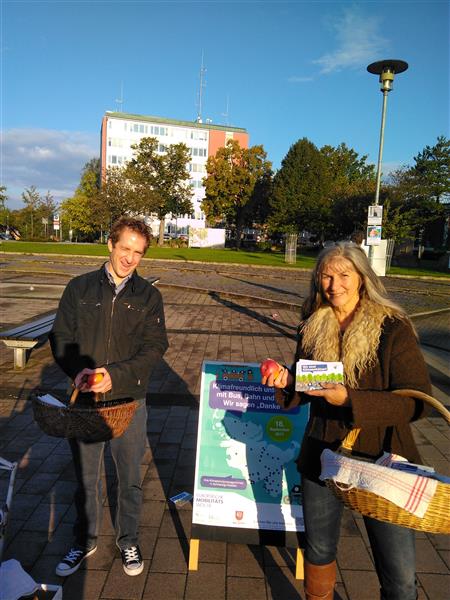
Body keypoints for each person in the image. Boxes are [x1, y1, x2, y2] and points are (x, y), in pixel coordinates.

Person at [261, 242, 431, 600]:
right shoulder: (313, 324)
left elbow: (416, 401)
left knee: (399, 578)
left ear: (363, 279)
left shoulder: (392, 327)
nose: (334, 285)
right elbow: (310, 383)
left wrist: (350, 400)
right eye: (326, 275)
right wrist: (288, 380)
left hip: (383, 459)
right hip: (324, 453)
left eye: (344, 275)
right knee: (319, 552)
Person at [49, 217, 168, 577]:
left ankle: (128, 538)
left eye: (138, 252)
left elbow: (154, 347)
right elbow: (61, 336)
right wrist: (77, 371)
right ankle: (84, 540)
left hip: (128, 402)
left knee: (129, 476)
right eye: (125, 248)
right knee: (85, 477)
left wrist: (115, 375)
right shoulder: (79, 287)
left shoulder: (149, 296)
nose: (130, 258)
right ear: (110, 244)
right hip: (85, 402)